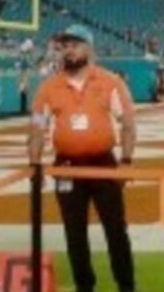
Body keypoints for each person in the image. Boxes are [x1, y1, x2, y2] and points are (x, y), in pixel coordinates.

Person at [27, 24, 136, 292]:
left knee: (115, 229)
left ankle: (126, 285)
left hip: (103, 163)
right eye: (65, 46)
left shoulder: (110, 82)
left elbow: (128, 123)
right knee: (74, 232)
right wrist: (34, 164)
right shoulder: (49, 88)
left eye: (75, 45)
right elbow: (37, 128)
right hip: (66, 166)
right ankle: (84, 286)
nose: (68, 51)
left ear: (89, 47)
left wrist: (126, 160)